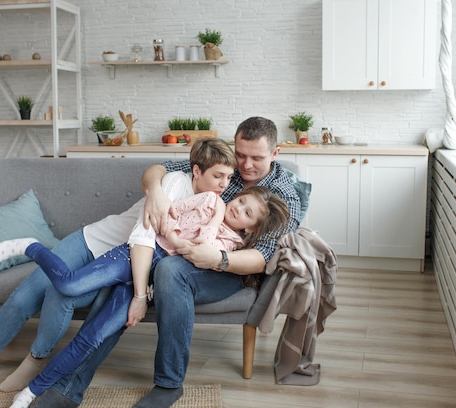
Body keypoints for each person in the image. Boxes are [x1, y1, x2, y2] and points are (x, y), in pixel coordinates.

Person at [29, 116, 302, 408]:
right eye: (242, 154)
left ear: (275, 154)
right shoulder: (225, 168)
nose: (246, 165)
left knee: (170, 271)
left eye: (256, 158)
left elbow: (262, 257)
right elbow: (158, 170)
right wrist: (155, 193)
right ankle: (69, 389)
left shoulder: (284, 195)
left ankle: (169, 384)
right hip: (175, 248)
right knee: (126, 284)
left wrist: (220, 258)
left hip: (228, 268)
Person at [0, 138, 236, 393]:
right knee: (28, 291)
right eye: (218, 176)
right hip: (91, 241)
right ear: (197, 171)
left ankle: (34, 360)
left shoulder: (212, 204)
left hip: (119, 264)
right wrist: (139, 296)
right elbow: (143, 237)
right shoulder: (174, 186)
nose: (224, 185)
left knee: (62, 295)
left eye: (228, 177)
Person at [2, 186, 289, 408]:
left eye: (248, 213)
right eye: (240, 201)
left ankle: (168, 384)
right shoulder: (214, 193)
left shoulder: (238, 235)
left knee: (158, 279)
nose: (239, 208)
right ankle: (64, 388)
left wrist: (212, 246)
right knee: (75, 291)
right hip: (142, 258)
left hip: (202, 267)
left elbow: (231, 256)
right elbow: (166, 202)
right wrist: (197, 208)